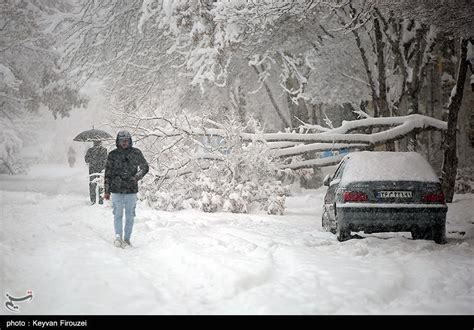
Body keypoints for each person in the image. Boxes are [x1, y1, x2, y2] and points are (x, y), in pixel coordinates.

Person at [103, 130, 149, 248]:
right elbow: (108, 173)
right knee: (117, 215)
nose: (124, 142)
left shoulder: (136, 153)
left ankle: (127, 239)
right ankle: (118, 237)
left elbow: (145, 167)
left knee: (130, 216)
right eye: (122, 140)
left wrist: (137, 177)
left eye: (126, 140)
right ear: (118, 141)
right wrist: (107, 190)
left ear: (130, 141)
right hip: (116, 190)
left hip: (131, 190)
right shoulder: (112, 155)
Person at [85, 140, 108, 205]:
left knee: (92, 185)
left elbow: (86, 160)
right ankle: (101, 201)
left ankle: (93, 200)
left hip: (92, 170)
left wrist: (93, 160)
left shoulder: (90, 150)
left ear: (94, 143)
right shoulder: (104, 150)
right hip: (101, 169)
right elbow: (106, 159)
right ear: (100, 142)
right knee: (101, 184)